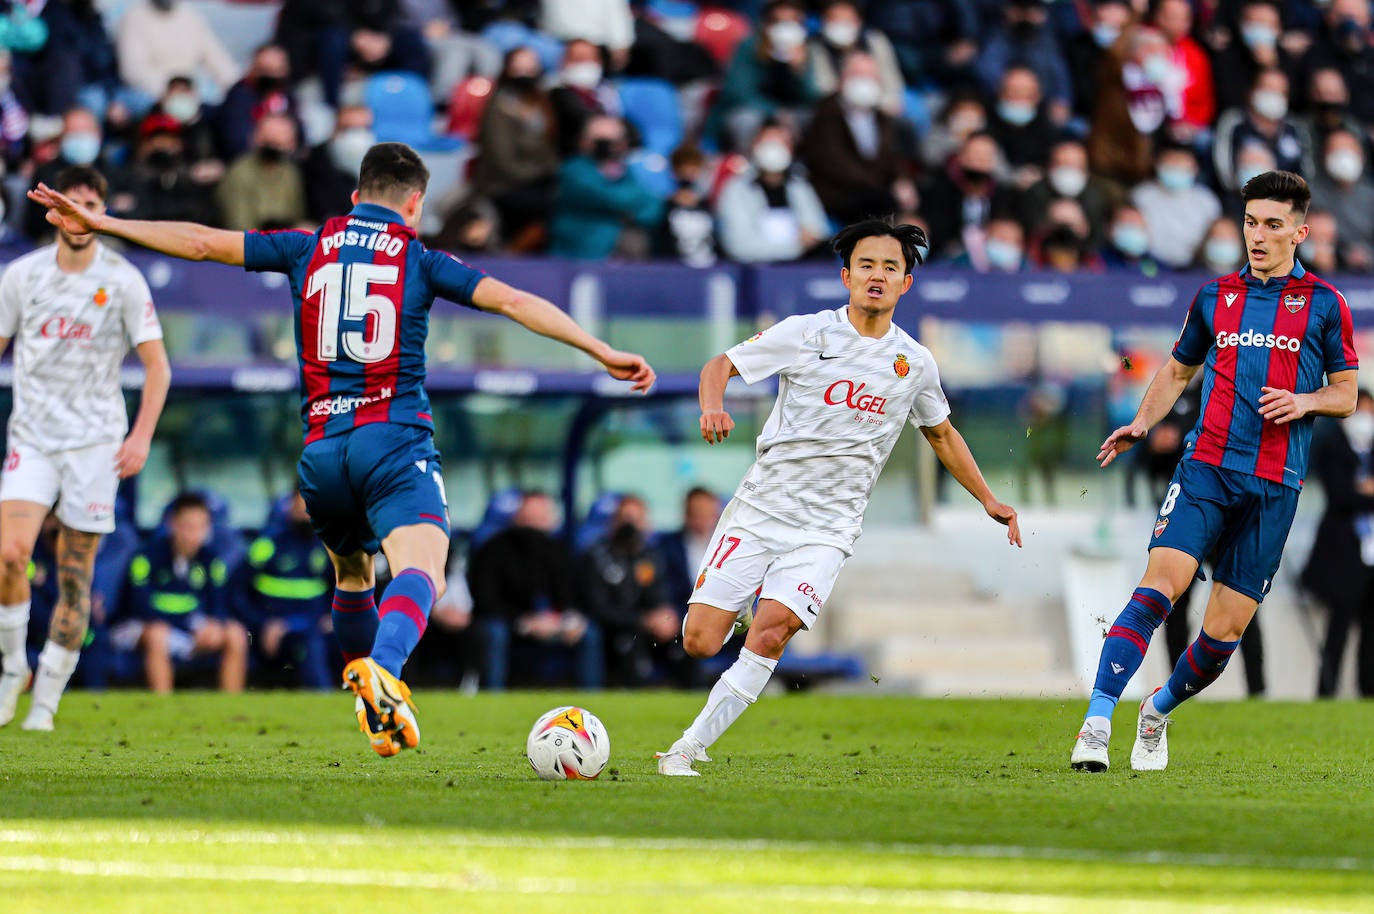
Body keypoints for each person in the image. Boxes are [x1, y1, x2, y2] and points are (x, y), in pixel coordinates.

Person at [29, 141, 655, 756]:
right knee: (423, 570)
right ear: (414, 203)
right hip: (394, 440)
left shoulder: (306, 247)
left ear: (355, 198)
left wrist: (104, 221)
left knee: (354, 574)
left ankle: (374, 712)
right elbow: (513, 302)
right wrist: (601, 351)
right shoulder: (420, 257)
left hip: (323, 450)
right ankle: (383, 672)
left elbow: (199, 242)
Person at [655, 217, 1021, 776]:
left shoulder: (914, 363)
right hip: (759, 512)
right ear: (846, 275)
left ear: (906, 284)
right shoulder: (806, 332)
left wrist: (988, 498)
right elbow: (720, 365)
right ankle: (736, 606)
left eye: (891, 267)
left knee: (772, 630)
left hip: (827, 530)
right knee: (700, 642)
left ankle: (688, 747)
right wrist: (712, 404)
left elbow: (941, 433)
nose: (878, 275)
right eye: (867, 265)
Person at [1071, 171, 1359, 774]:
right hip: (1206, 467)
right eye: (1251, 222)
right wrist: (1143, 423)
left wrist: (1305, 402)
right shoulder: (1214, 296)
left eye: (1273, 225)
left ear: (1300, 232)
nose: (1258, 235)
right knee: (1157, 589)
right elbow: (1177, 372)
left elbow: (1346, 394)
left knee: (1222, 635)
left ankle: (1157, 709)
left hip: (1276, 487)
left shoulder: (1326, 305)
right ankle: (1096, 722)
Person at [0, 165, 169, 731]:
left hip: (96, 444)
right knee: (9, 555)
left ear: (102, 209)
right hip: (33, 437)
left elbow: (157, 367)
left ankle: (45, 698)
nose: (81, 212)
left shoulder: (123, 280)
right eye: (72, 202)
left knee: (75, 576)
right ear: (54, 211)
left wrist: (140, 435)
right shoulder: (21, 277)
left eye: (92, 202)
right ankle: (9, 672)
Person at [467, 490, 601, 690]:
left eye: (540, 517)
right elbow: (485, 601)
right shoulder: (493, 549)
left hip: (549, 624)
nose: (534, 524)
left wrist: (565, 618)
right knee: (494, 631)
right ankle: (492, 697)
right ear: (517, 517)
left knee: (588, 632)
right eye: (528, 517)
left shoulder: (559, 550)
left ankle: (591, 700)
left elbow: (570, 596)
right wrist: (524, 621)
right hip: (508, 622)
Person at [121, 492, 248, 693]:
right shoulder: (146, 557)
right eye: (188, 526)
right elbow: (140, 608)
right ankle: (162, 705)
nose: (193, 534)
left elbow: (219, 603)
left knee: (236, 633)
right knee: (157, 634)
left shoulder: (210, 560)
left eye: (200, 527)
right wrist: (188, 628)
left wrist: (214, 624)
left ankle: (231, 707)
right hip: (137, 626)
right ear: (172, 524)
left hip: (188, 627)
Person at [1302, 389, 1374, 697]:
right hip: (1344, 551)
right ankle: (1327, 690)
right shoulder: (1332, 446)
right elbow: (1341, 497)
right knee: (1339, 625)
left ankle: (1367, 689)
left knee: (1371, 627)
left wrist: (1363, 491)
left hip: (1370, 551)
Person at [581, 494, 693, 687]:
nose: (631, 526)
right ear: (613, 522)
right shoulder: (597, 556)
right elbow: (598, 608)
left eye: (637, 519)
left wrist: (666, 619)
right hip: (616, 630)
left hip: (649, 629)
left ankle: (696, 699)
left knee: (683, 639)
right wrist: (643, 620)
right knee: (628, 640)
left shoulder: (652, 555)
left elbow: (661, 596)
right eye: (626, 518)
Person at [231, 490, 333, 689]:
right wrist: (263, 623)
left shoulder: (329, 546)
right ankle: (322, 698)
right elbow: (237, 592)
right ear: (291, 504)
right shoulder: (268, 544)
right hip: (275, 631)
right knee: (310, 642)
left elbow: (345, 587)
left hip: (315, 624)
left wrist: (335, 615)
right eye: (302, 503)